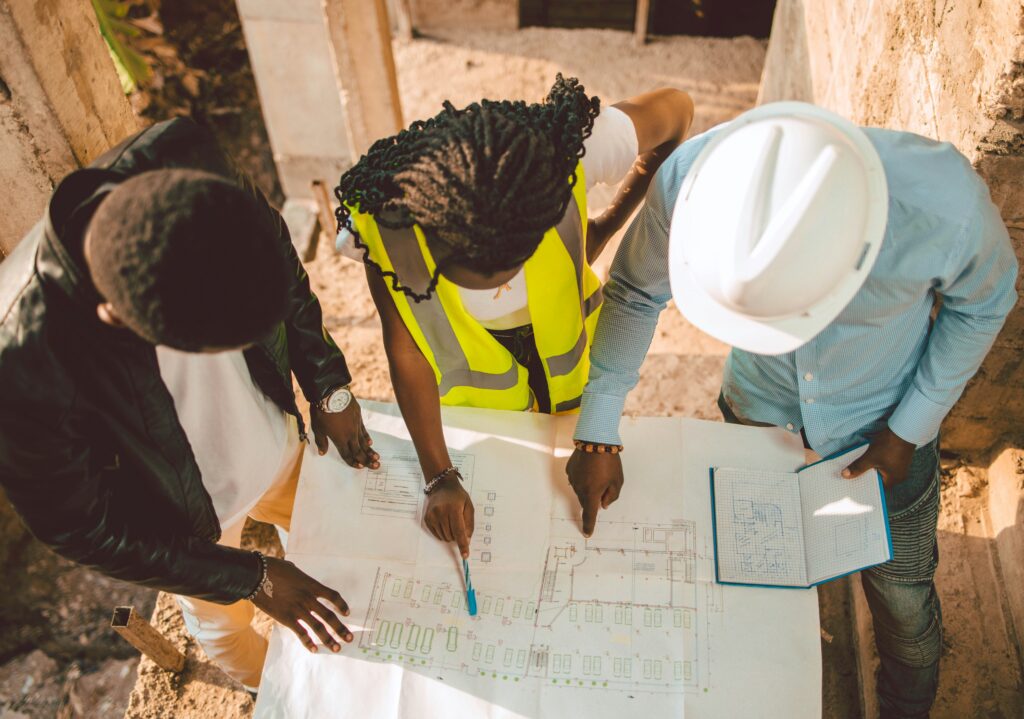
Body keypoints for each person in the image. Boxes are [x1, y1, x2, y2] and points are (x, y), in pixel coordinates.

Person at [566, 102, 1018, 718]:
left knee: (903, 595)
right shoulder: (695, 179)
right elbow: (638, 290)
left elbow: (985, 305)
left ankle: (907, 704)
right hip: (757, 418)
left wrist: (911, 426)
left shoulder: (944, 206)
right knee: (760, 574)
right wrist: (597, 430)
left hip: (884, 434)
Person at [0, 118, 380, 689]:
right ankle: (272, 690)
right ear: (117, 321)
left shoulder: (189, 157)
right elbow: (82, 528)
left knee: (350, 540)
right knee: (226, 632)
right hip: (182, 525)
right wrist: (250, 578)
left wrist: (327, 383)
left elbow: (278, 260)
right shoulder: (23, 360)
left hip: (274, 440)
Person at [334, 75, 694, 559]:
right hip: (483, 402)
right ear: (430, 233)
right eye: (470, 274)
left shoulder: (568, 157)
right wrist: (439, 475)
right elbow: (405, 350)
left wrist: (607, 224)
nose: (501, 286)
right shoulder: (382, 225)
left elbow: (677, 111)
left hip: (572, 375)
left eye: (514, 263)